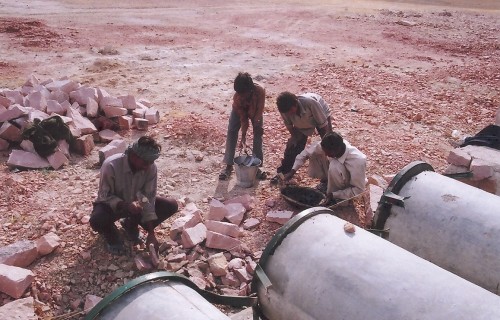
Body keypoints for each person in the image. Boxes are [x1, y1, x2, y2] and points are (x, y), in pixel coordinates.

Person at [89, 136, 178, 255]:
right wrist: (125, 205)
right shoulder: (111, 165)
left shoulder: (150, 168)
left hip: (134, 206)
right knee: (97, 219)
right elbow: (104, 196)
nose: (148, 166)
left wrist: (151, 234)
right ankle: (113, 236)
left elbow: (149, 198)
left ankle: (130, 224)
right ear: (134, 156)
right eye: (145, 162)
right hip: (113, 206)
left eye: (151, 162)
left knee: (170, 205)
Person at [284, 132, 367, 204]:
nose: (326, 155)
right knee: (315, 153)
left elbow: (358, 190)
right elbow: (306, 152)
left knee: (335, 165)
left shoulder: (358, 160)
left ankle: (336, 198)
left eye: (328, 152)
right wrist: (293, 171)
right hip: (337, 176)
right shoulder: (331, 146)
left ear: (336, 150)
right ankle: (326, 183)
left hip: (347, 187)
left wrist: (335, 195)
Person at [271, 91, 333, 184]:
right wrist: (295, 138)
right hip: (301, 122)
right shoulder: (284, 110)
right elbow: (289, 125)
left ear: (296, 103)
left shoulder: (310, 103)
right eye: (287, 113)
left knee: (328, 145)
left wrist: (325, 143)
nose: (289, 114)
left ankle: (329, 177)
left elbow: (323, 126)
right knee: (293, 146)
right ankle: (284, 173)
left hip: (321, 115)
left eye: (290, 111)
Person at [219, 72, 267, 181]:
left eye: (243, 93)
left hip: (256, 109)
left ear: (249, 89)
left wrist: (256, 123)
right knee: (232, 131)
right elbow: (243, 118)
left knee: (258, 134)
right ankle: (228, 165)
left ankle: (257, 166)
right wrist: (243, 137)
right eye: (238, 93)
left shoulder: (260, 90)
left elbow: (259, 110)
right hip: (239, 110)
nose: (241, 95)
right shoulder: (238, 98)